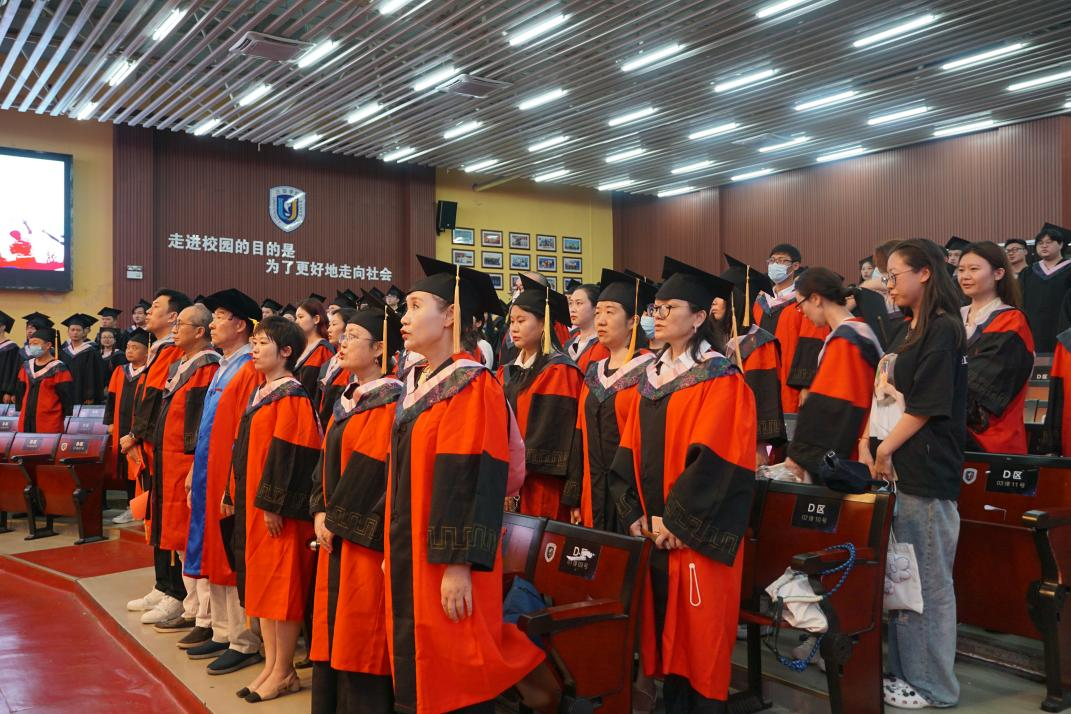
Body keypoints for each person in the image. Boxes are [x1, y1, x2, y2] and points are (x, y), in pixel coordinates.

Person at [387, 256, 543, 713]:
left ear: (450, 315)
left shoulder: (470, 385)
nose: (404, 317)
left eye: (416, 306)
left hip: (450, 556)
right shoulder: (418, 383)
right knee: (420, 657)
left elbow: (472, 478)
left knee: (454, 665)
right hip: (413, 546)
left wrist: (457, 564)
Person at [610, 256, 757, 714]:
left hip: (693, 537)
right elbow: (628, 450)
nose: (657, 316)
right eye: (655, 308)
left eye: (668, 308)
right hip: (656, 534)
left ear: (698, 317)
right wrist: (633, 512)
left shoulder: (720, 377)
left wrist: (677, 522)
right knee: (665, 639)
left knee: (699, 640)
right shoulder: (651, 378)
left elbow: (717, 460)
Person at [860, 239, 967, 710]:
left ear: (924, 273)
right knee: (904, 579)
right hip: (900, 468)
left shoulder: (943, 328)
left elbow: (926, 406)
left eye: (895, 275)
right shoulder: (909, 328)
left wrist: (884, 448)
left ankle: (933, 685)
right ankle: (907, 674)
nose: (889, 285)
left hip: (925, 470)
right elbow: (887, 396)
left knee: (928, 582)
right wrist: (869, 443)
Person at [309, 304, 403, 714]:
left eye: (352, 337)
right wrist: (318, 510)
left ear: (379, 348)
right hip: (333, 532)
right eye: (342, 335)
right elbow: (324, 461)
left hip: (362, 539)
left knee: (361, 629)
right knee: (332, 625)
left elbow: (373, 471)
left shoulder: (391, 401)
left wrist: (335, 519)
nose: (341, 343)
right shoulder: (347, 398)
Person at [228, 316, 321, 703]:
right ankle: (272, 666)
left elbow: (293, 455)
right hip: (257, 506)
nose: (254, 349)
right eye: (253, 342)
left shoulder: (292, 395)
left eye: (262, 343)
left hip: (278, 512)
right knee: (264, 588)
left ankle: (283, 670)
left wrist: (274, 504)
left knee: (282, 589)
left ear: (286, 351)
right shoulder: (263, 391)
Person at [182, 289, 264, 675]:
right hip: (208, 471)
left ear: (240, 325)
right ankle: (221, 629)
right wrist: (193, 470)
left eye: (218, 317)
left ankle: (244, 640)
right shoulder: (224, 365)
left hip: (229, 474)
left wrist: (232, 482)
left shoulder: (249, 368)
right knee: (213, 549)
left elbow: (242, 433)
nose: (212, 324)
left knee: (230, 552)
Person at [147, 304, 221, 637]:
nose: (174, 329)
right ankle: (189, 606)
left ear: (200, 331)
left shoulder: (207, 366)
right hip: (169, 461)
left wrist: (194, 464)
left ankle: (203, 614)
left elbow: (200, 422)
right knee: (178, 538)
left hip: (187, 462)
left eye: (181, 324)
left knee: (192, 538)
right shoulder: (181, 363)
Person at [567, 269, 655, 531]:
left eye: (610, 312)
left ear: (633, 321)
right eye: (598, 313)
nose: (601, 320)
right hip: (592, 493)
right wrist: (574, 496)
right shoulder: (594, 371)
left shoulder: (650, 370)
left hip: (633, 499)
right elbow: (579, 433)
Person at [122, 289, 190, 624]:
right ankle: (162, 583)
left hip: (161, 447)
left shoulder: (174, 350)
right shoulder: (158, 349)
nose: (148, 311)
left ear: (173, 317)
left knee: (168, 518)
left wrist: (136, 434)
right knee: (154, 515)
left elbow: (156, 399)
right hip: (151, 447)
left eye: (156, 307)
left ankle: (175, 592)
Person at [783, 268, 883, 479]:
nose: (802, 313)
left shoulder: (846, 341)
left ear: (816, 299)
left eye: (801, 305)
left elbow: (830, 404)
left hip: (852, 448)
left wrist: (801, 454)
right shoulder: (858, 329)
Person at [499, 274, 583, 521]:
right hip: (506, 481)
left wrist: (512, 475)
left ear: (544, 323)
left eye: (521, 320)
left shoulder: (559, 371)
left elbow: (551, 435)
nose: (514, 328)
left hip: (540, 486)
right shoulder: (507, 371)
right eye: (511, 321)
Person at [957, 242, 1034, 454]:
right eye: (961, 270)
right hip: (949, 434)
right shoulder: (952, 317)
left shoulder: (1011, 322)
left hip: (992, 440)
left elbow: (980, 388)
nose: (965, 276)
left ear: (998, 273)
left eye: (974, 269)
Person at [715, 255, 786, 464]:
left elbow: (762, 397)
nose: (714, 301)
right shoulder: (714, 339)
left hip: (745, 440)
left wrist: (758, 446)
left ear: (737, 300)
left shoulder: (758, 343)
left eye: (721, 296)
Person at [105, 328, 150, 525]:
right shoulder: (120, 371)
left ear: (147, 351)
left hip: (139, 429)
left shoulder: (150, 371)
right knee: (124, 467)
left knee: (140, 466)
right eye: (128, 347)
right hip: (121, 427)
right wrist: (110, 422)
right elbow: (111, 398)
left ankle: (140, 508)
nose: (130, 351)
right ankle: (130, 506)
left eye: (135, 347)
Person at [1019, 223, 1071, 352]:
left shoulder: (1069, 269)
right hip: (1033, 329)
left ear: (1060, 244)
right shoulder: (1028, 272)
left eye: (1049, 242)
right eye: (1040, 243)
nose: (1044, 246)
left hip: (1062, 329)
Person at [14, 326, 73, 433]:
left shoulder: (59, 368)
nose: (32, 346)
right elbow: (20, 391)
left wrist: (66, 414)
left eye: (36, 343)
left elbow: (66, 396)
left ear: (48, 345)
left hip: (49, 420)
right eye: (30, 344)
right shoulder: (26, 366)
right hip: (26, 418)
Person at [316, 307, 357, 426]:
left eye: (334, 324)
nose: (329, 330)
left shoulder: (352, 366)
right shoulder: (329, 363)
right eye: (329, 325)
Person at [294, 298, 334, 401]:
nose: (296, 322)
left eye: (301, 317)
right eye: (296, 318)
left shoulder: (323, 350)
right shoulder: (298, 347)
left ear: (316, 319)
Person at [563, 283, 610, 372]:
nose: (572, 309)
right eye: (570, 303)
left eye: (578, 303)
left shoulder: (604, 346)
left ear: (596, 308)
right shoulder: (569, 343)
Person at [59, 313, 104, 405]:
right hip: (65, 394)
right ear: (68, 332)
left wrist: (90, 395)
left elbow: (95, 375)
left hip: (84, 396)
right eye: (72, 330)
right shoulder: (63, 353)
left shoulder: (92, 352)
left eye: (78, 330)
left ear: (84, 332)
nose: (75, 332)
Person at [0, 310, 20, 404]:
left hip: (2, 391)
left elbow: (13, 371)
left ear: (3, 327)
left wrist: (8, 392)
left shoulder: (12, 348)